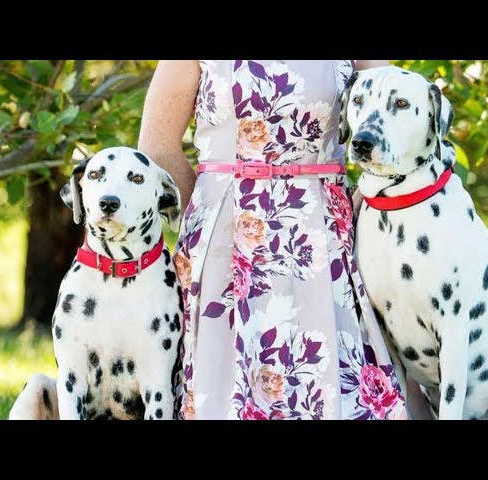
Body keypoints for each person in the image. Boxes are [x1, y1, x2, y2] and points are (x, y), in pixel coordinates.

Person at [138, 60, 408, 420]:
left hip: (323, 241)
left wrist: (358, 204)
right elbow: (158, 146)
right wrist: (208, 213)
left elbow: (399, 115)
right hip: (223, 240)